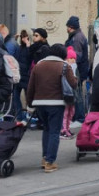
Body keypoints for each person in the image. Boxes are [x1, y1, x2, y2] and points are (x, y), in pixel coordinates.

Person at [26, 44, 77, 172]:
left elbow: (31, 86)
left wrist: (30, 103)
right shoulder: (64, 66)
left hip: (40, 103)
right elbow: (74, 84)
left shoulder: (38, 65)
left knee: (47, 130)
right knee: (55, 131)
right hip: (56, 103)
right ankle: (50, 162)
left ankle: (44, 158)